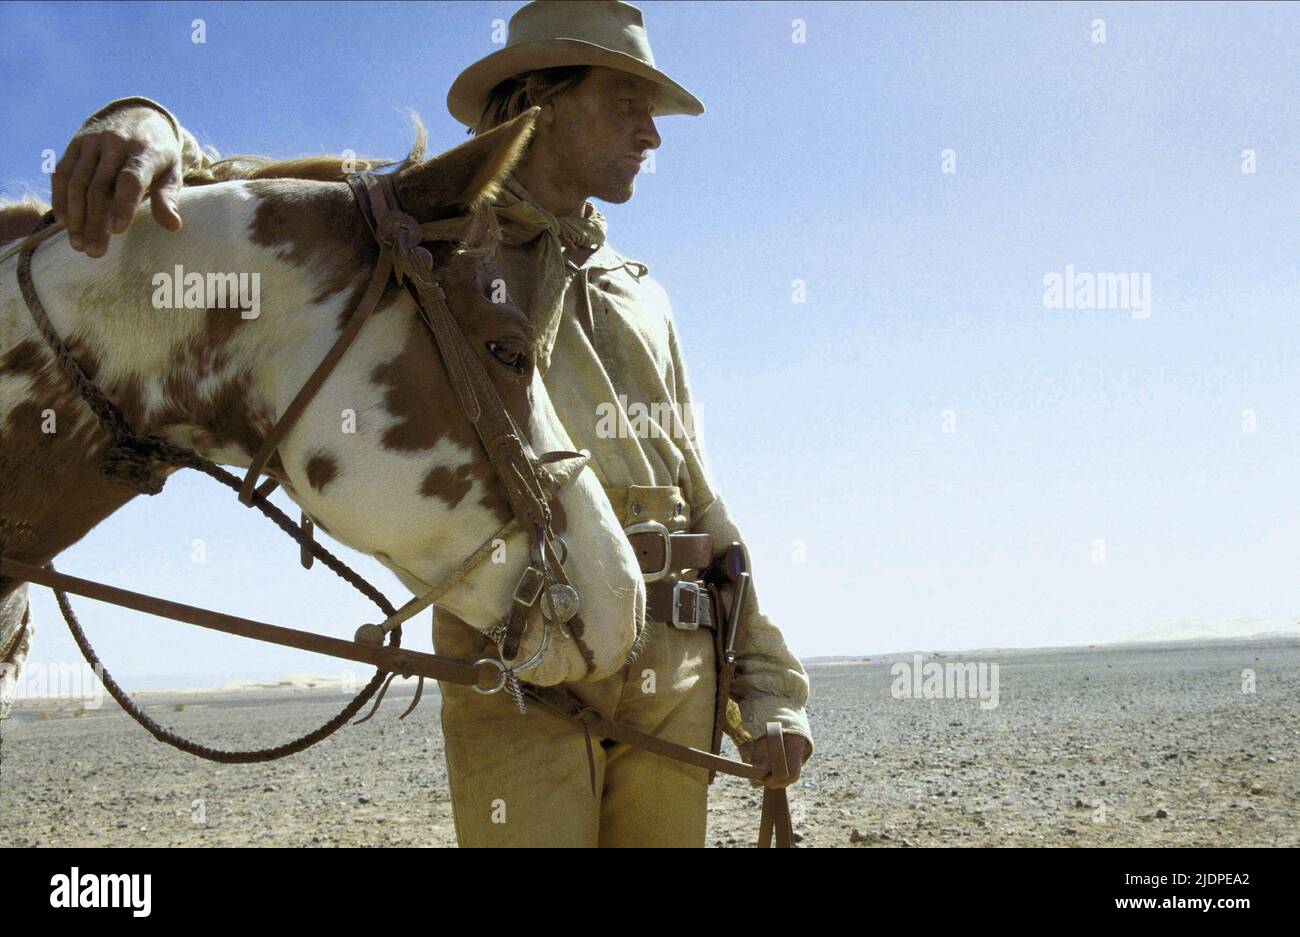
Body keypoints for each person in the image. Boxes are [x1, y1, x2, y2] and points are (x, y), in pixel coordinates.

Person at [51, 0, 813, 847]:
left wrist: (770, 685)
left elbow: (702, 496)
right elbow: (253, 197)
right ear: (543, 101)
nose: (652, 135)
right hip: (516, 644)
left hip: (678, 657)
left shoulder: (644, 291)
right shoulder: (426, 239)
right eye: (626, 103)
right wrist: (143, 122)